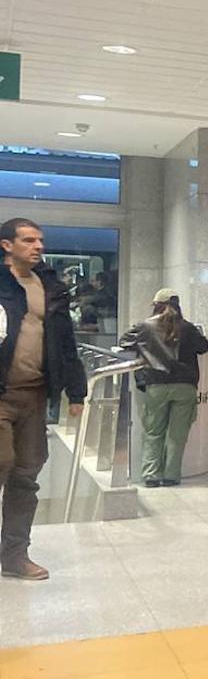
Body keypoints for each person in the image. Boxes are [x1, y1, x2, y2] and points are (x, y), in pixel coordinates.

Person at [0, 218, 86, 582]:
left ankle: (15, 555)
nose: (38, 246)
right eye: (29, 240)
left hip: (34, 396)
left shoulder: (49, 286)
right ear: (7, 245)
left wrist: (76, 390)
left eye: (40, 240)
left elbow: (65, 342)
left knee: (26, 475)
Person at [120, 289, 208, 487]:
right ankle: (171, 476)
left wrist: (144, 347)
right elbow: (204, 346)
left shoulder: (145, 326)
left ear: (157, 305)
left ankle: (151, 476)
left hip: (156, 384)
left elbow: (124, 341)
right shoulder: (188, 327)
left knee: (153, 432)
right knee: (177, 435)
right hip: (185, 385)